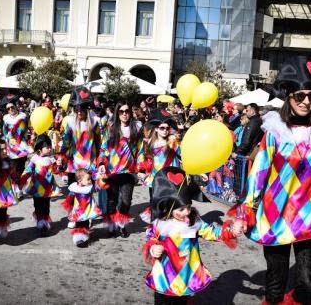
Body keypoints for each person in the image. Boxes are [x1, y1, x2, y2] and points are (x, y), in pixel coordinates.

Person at [231, 57, 311, 304]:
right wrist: (245, 212)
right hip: (276, 214)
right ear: (289, 97)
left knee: (310, 283)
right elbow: (259, 173)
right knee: (275, 287)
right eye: (300, 96)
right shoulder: (275, 132)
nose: (306, 102)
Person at [142, 167, 236, 305]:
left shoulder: (193, 221)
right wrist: (153, 249)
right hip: (164, 278)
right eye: (181, 209)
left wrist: (231, 230)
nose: (186, 212)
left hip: (186, 277)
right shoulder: (160, 223)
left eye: (188, 206)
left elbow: (212, 232)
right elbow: (151, 239)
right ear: (168, 208)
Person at [98, 101, 143, 238]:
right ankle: (111, 225)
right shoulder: (111, 127)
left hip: (128, 172)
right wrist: (101, 163)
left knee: (126, 200)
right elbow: (103, 147)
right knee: (111, 200)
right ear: (117, 113)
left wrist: (141, 168)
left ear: (130, 112)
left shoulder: (137, 127)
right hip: (112, 171)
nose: (124, 114)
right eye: (121, 111)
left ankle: (121, 224)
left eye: (127, 111)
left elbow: (141, 150)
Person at [60, 86, 101, 228]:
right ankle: (74, 215)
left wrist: (99, 161)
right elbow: (66, 141)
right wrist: (62, 157)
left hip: (89, 163)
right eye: (76, 109)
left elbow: (98, 142)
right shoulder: (71, 122)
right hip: (74, 164)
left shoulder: (95, 121)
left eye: (81, 109)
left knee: (87, 193)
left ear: (87, 109)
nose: (79, 112)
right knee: (73, 191)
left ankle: (87, 215)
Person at [138, 108, 181, 223]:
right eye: (162, 128)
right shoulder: (148, 143)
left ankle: (166, 227)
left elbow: (183, 156)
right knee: (155, 202)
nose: (165, 130)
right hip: (155, 179)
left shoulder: (173, 142)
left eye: (167, 128)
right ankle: (156, 228)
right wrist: (142, 171)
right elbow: (142, 156)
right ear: (156, 129)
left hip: (170, 179)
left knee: (169, 203)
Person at [20, 134, 58, 236]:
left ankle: (44, 223)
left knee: (46, 206)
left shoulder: (51, 159)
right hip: (36, 188)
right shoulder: (34, 159)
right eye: (47, 147)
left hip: (47, 189)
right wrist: (22, 179)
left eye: (50, 147)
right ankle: (40, 223)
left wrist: (59, 164)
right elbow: (28, 170)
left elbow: (56, 170)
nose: (50, 149)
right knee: (38, 206)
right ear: (40, 149)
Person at [61, 168, 102, 248]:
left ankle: (84, 237)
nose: (90, 181)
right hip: (78, 211)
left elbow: (98, 188)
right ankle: (79, 239)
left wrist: (100, 179)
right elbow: (70, 196)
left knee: (85, 224)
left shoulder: (89, 187)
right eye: (88, 179)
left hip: (87, 210)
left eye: (90, 179)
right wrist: (68, 203)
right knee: (79, 224)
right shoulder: (74, 188)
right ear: (80, 181)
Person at [3, 101, 33, 192]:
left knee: (21, 167)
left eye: (12, 107)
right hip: (11, 147)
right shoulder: (6, 119)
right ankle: (15, 186)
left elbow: (26, 129)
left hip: (21, 146)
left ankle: (19, 185)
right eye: (8, 108)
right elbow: (4, 131)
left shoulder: (23, 117)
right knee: (13, 167)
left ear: (16, 107)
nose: (10, 109)